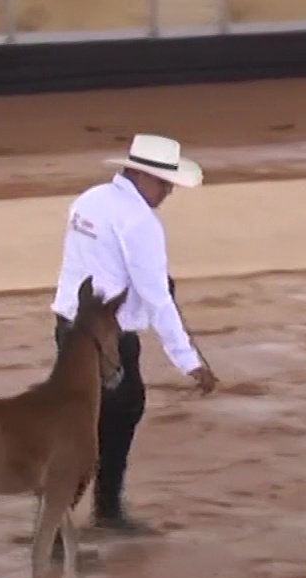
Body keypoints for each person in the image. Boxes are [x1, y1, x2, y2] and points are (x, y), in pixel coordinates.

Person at [49, 133, 219, 538]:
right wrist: (189, 361)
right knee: (109, 421)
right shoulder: (140, 222)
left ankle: (90, 511)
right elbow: (156, 296)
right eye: (163, 182)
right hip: (107, 338)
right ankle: (66, 522)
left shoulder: (89, 201)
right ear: (141, 175)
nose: (167, 192)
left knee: (99, 419)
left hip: (70, 326)